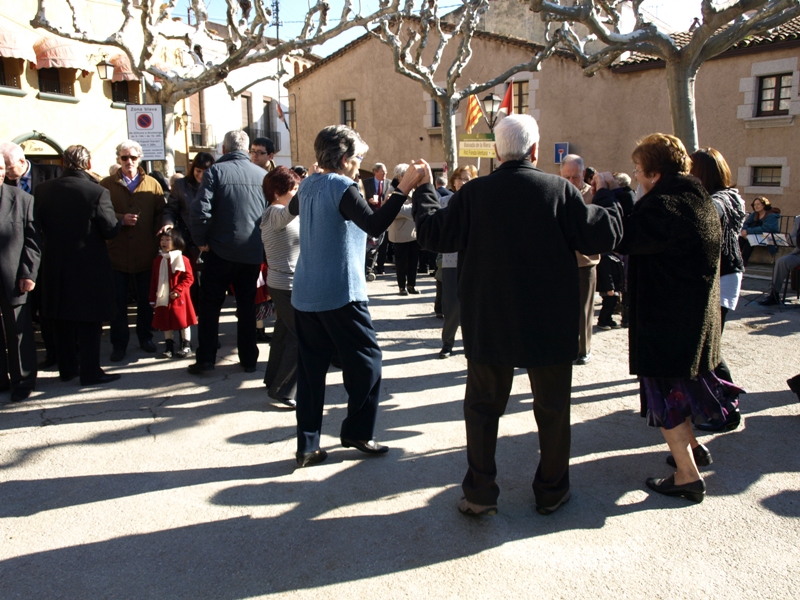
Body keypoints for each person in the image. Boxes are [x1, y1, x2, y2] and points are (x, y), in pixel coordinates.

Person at [414, 114, 623, 517]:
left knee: (481, 407)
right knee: (553, 409)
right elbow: (603, 235)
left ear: (497, 150)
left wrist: (424, 192)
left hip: (490, 320)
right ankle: (551, 490)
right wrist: (610, 194)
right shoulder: (560, 189)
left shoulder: (475, 193)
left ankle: (479, 493)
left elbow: (433, 234)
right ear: (536, 150)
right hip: (549, 322)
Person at [288, 125, 428, 468]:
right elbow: (375, 224)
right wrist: (404, 188)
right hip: (340, 292)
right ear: (346, 159)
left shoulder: (309, 184)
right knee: (367, 363)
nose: (359, 165)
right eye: (358, 158)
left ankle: (307, 446)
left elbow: (293, 207)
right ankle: (357, 432)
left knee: (310, 373)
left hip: (305, 293)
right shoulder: (340, 184)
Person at [617, 133, 743, 504]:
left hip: (667, 322)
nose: (637, 176)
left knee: (667, 397)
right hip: (694, 318)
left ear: (655, 173)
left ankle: (686, 475)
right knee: (683, 389)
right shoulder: (697, 197)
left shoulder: (663, 207)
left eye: (639, 170)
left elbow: (624, 238)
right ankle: (693, 448)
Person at [35, 145, 122, 387]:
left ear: (63, 163)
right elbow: (110, 229)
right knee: (89, 321)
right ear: (89, 164)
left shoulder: (42, 190)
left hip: (54, 263)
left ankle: (67, 369)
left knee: (60, 318)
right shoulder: (96, 192)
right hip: (88, 265)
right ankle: (91, 371)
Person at [188, 130, 266, 374]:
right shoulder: (262, 175)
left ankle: (207, 359)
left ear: (224, 149)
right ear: (246, 150)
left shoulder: (215, 172)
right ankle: (249, 358)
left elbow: (200, 212)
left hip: (220, 251)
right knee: (246, 306)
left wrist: (201, 242)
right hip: (251, 251)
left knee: (210, 306)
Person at [689, 148, 747, 432]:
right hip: (722, 277)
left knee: (707, 349)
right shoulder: (728, 196)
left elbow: (708, 218)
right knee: (705, 347)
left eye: (690, 170)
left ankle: (727, 410)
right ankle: (710, 404)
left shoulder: (720, 199)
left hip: (721, 279)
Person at [0, 142, 63, 370]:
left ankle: (59, 350)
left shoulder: (52, 173)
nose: (6, 173)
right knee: (31, 308)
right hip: (17, 258)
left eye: (7, 167)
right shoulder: (5, 184)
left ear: (21, 160)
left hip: (49, 251)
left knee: (49, 306)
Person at [100, 140, 164, 362]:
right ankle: (119, 344)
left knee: (147, 300)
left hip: (145, 252)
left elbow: (161, 213)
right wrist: (120, 219)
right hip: (117, 253)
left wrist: (164, 227)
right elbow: (100, 214)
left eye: (133, 157)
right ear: (118, 159)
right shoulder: (106, 184)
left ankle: (145, 337)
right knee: (117, 302)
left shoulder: (153, 184)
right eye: (124, 157)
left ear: (140, 159)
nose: (129, 161)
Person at [0, 153, 41, 402]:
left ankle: (23, 380)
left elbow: (33, 241)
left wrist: (28, 272)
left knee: (18, 332)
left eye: (0, 167)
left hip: (13, 277)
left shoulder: (22, 199)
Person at [260, 167, 302, 408]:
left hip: (286, 283)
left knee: (284, 334)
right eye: (293, 189)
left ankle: (272, 380)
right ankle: (283, 389)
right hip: (286, 284)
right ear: (277, 192)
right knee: (302, 335)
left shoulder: (279, 212)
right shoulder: (274, 213)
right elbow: (291, 210)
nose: (297, 194)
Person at [162, 152, 216, 309]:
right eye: (197, 170)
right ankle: (192, 310)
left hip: (210, 238)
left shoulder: (217, 184)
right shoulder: (181, 185)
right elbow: (171, 209)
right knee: (189, 276)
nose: (200, 175)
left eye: (204, 171)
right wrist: (168, 223)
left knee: (209, 277)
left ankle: (207, 308)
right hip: (187, 237)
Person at [560, 154, 598, 365]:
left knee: (583, 309)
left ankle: (583, 349)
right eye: (567, 176)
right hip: (561, 261)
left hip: (585, 262)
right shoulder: (558, 192)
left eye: (576, 177)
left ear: (583, 174)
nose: (572, 181)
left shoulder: (591, 195)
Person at [437, 165, 477, 358]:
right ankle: (447, 343)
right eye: (460, 178)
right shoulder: (445, 201)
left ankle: (472, 344)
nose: (462, 182)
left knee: (474, 306)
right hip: (451, 261)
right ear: (453, 182)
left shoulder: (479, 202)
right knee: (452, 305)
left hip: (474, 260)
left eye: (468, 178)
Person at [149, 229, 197, 359]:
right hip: (163, 296)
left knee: (183, 322)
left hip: (179, 298)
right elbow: (154, 280)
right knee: (165, 321)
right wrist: (152, 298)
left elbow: (189, 278)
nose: (164, 242)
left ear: (175, 242)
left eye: (167, 240)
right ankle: (168, 346)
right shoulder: (158, 260)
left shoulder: (183, 259)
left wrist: (178, 290)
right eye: (162, 240)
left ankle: (186, 345)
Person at [388, 163, 420, 295]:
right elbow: (395, 211)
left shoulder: (413, 190)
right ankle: (402, 286)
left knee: (413, 261)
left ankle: (411, 285)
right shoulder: (392, 191)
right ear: (400, 177)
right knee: (401, 262)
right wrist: (414, 210)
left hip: (414, 232)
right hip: (400, 233)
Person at [758, 214, 800, 306]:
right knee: (782, 261)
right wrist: (798, 239)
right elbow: (790, 240)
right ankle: (774, 294)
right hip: (798, 254)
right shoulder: (798, 219)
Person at [738, 196, 780, 266]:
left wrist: (748, 231)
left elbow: (765, 229)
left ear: (764, 205)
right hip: (756, 234)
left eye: (758, 204)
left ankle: (744, 261)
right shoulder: (755, 214)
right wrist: (744, 230)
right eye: (754, 205)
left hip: (769, 236)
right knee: (741, 238)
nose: (756, 206)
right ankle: (736, 259)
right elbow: (746, 223)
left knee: (750, 239)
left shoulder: (771, 215)